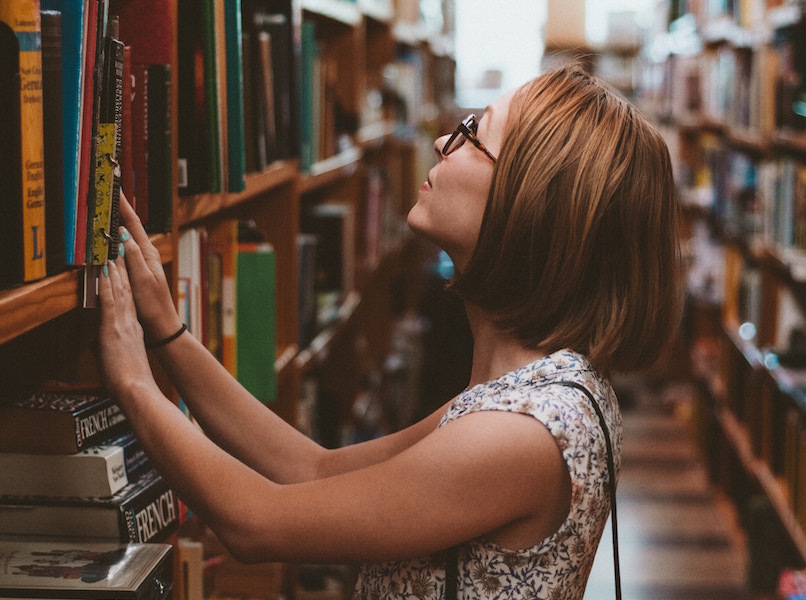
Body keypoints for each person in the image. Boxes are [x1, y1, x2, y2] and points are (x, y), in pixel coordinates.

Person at [97, 64, 683, 599]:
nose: (441, 142)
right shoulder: (527, 393)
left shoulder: (522, 433)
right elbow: (312, 470)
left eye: (472, 134)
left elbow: (255, 523)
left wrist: (133, 384)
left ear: (530, 203)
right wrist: (169, 335)